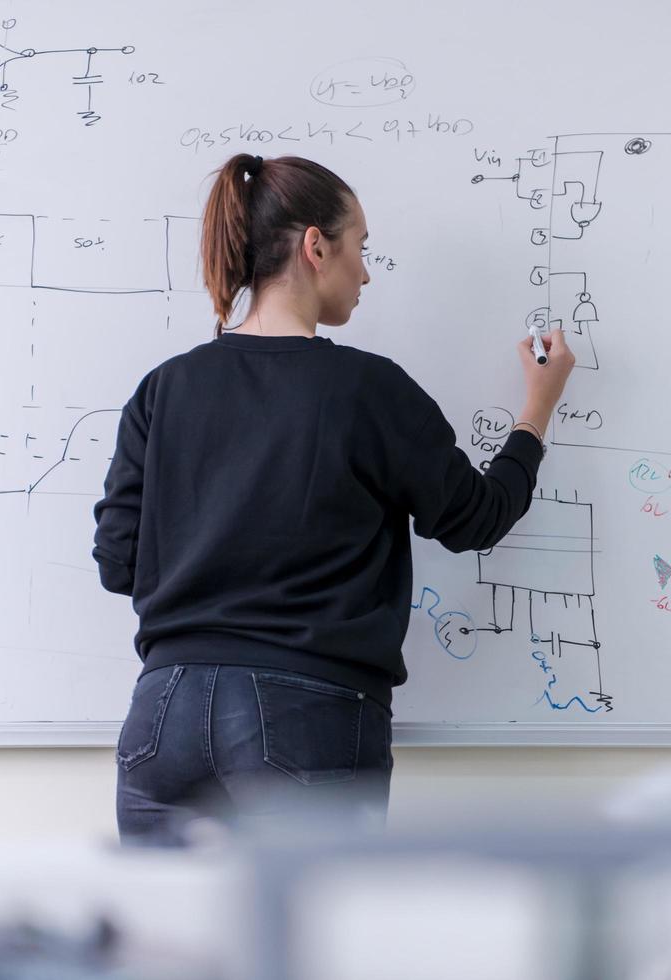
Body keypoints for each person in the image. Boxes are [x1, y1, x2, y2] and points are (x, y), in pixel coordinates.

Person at [93, 153, 574, 844]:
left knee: (168, 947)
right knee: (315, 948)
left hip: (162, 716)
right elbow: (476, 518)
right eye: (362, 248)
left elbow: (117, 562)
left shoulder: (164, 389)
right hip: (304, 713)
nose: (367, 272)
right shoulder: (368, 391)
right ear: (316, 246)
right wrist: (537, 409)